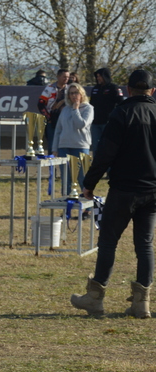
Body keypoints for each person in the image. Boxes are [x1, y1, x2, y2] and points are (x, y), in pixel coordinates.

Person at [71, 69, 156, 319]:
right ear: (151, 91)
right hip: (151, 191)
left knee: (108, 241)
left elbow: (105, 152)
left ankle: (95, 299)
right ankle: (142, 303)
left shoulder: (123, 112)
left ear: (128, 90)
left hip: (123, 189)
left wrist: (89, 182)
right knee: (145, 245)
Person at [52, 83, 93, 194]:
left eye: (76, 92)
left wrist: (76, 110)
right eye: (71, 93)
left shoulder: (88, 108)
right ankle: (66, 208)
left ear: (81, 94)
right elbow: (58, 130)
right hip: (64, 147)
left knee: (82, 178)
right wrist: (55, 148)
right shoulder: (65, 109)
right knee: (66, 179)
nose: (74, 95)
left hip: (80, 146)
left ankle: (88, 209)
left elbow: (81, 124)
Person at [89, 68, 125, 149]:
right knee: (96, 146)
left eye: (100, 76)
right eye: (97, 76)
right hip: (95, 123)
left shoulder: (114, 88)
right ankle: (97, 161)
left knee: (108, 146)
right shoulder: (95, 89)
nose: (98, 78)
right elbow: (91, 104)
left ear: (105, 76)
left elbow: (121, 104)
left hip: (108, 122)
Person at [38, 68, 70, 152]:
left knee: (66, 144)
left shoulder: (70, 89)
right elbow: (40, 104)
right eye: (64, 77)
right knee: (52, 145)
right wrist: (48, 118)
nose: (66, 79)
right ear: (58, 77)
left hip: (67, 120)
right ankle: (51, 164)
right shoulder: (49, 88)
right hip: (53, 120)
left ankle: (65, 164)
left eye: (67, 77)